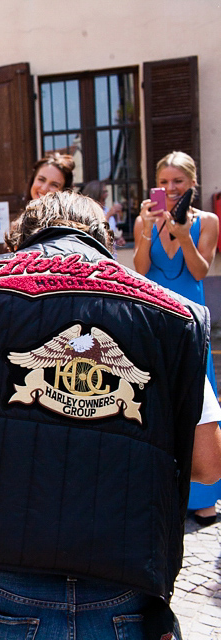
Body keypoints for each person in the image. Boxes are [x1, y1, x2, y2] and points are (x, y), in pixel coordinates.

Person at [0, 191, 221, 639]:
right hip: (121, 583)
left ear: (20, 242)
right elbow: (208, 461)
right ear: (104, 240)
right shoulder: (172, 313)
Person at [134, 150, 221, 526]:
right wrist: (142, 231)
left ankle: (204, 495)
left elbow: (200, 272)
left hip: (191, 321)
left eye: (178, 182)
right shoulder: (148, 220)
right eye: (164, 182)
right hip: (154, 319)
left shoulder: (209, 221)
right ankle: (163, 492)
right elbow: (139, 268)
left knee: (201, 407)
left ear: (192, 183)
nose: (170, 189)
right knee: (156, 403)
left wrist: (185, 237)